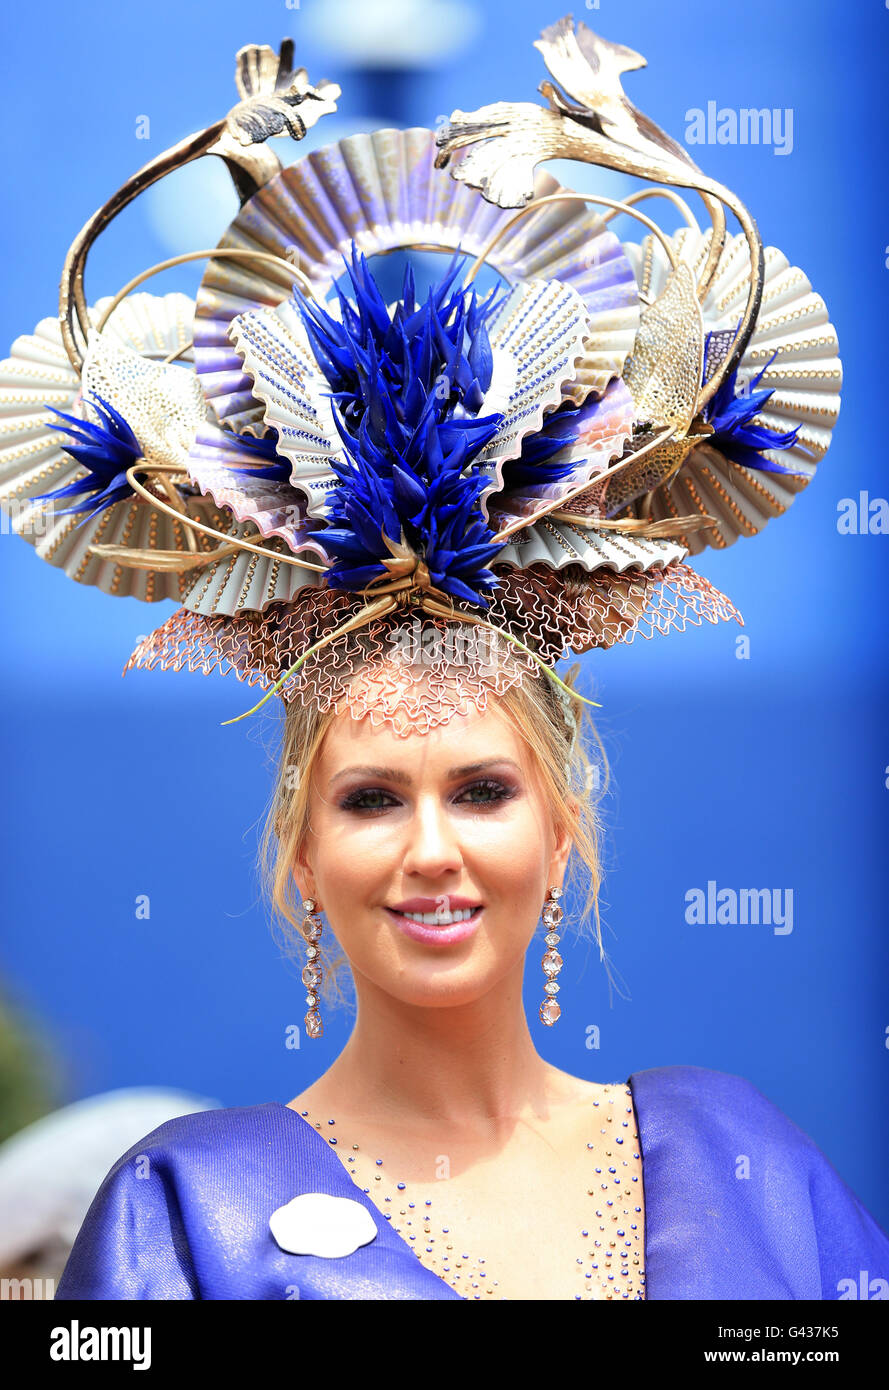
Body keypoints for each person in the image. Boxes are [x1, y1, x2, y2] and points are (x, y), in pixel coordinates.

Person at [2, 17, 883, 1300]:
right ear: (298, 850)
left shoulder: (739, 1155)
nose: (431, 849)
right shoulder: (184, 1212)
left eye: (480, 788)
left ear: (565, 825)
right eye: (371, 798)